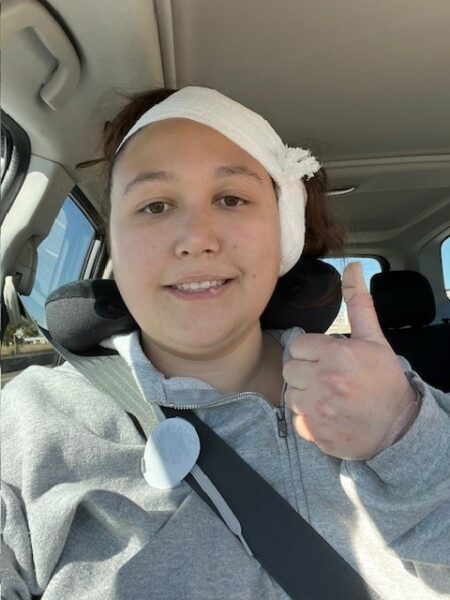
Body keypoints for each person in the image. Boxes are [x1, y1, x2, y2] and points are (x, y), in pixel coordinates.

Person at [1, 86, 449, 600]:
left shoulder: (403, 401)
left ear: (284, 233)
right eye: (155, 205)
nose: (196, 237)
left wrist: (400, 433)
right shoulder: (25, 425)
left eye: (231, 199)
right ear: (117, 244)